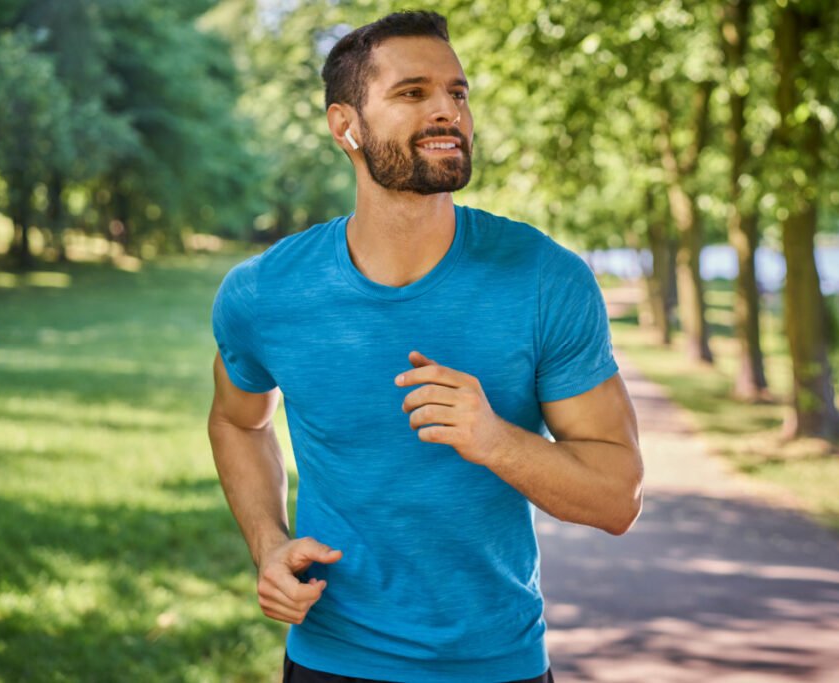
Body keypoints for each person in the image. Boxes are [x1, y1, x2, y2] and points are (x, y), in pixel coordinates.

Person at [207, 10, 643, 683]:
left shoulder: (545, 279)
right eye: (413, 93)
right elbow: (239, 419)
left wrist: (495, 439)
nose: (447, 110)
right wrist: (269, 542)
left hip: (498, 664)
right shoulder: (265, 293)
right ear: (344, 125)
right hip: (330, 660)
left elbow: (618, 497)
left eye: (458, 93)